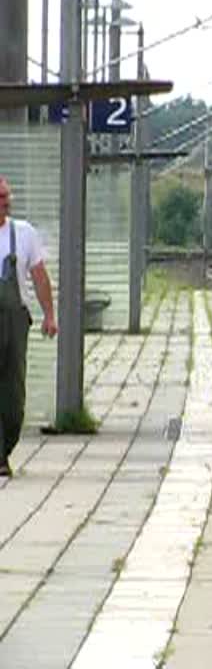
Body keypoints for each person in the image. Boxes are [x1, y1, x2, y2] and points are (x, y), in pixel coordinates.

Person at [0, 176, 58, 477]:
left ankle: (5, 445)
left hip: (14, 323)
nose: (6, 202)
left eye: (7, 196)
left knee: (13, 395)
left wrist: (49, 314)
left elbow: (39, 277)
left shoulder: (23, 234)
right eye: (0, 197)